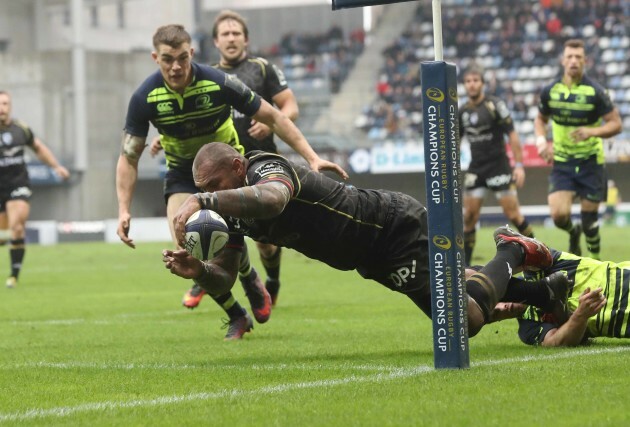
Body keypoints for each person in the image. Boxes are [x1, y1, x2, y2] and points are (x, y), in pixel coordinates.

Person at [162, 143, 566, 341]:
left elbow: (274, 199)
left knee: (463, 322)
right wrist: (198, 270)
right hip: (371, 256)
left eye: (213, 185)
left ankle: (510, 249)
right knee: (461, 299)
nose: (208, 194)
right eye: (203, 189)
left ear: (236, 167)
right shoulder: (229, 214)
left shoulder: (265, 168)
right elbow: (225, 279)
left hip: (390, 226)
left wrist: (201, 198)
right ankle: (544, 294)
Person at [116, 24, 348, 340]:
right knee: (186, 243)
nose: (176, 66)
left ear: (192, 54)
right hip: (183, 173)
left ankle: (251, 276)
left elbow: (274, 116)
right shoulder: (144, 97)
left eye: (182, 58)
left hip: (227, 170)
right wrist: (123, 209)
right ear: (156, 57)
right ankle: (236, 314)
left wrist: (312, 157)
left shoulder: (218, 82)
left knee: (235, 234)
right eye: (168, 59)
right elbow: (129, 157)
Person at [181, 10, 298, 310]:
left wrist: (273, 121)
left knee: (265, 242)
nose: (231, 38)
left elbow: (290, 106)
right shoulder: (207, 76)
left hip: (258, 165)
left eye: (236, 33)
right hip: (218, 171)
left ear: (245, 39)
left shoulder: (262, 69)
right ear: (216, 41)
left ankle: (271, 279)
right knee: (210, 222)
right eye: (225, 34)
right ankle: (206, 274)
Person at [534, 39, 622, 260]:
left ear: (585, 61)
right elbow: (540, 120)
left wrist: (592, 132)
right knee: (558, 215)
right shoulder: (551, 91)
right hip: (563, 162)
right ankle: (573, 233)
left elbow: (616, 124)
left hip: (591, 162)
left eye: (578, 57)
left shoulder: (596, 92)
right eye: (570, 57)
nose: (574, 61)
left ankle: (597, 265)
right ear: (563, 60)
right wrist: (542, 143)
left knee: (590, 223)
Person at [459, 66, 534, 266]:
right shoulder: (462, 111)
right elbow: (455, 142)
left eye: (475, 80)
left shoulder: (494, 105)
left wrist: (518, 165)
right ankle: (465, 268)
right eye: (468, 81)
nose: (471, 84)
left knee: (513, 214)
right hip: (476, 169)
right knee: (469, 217)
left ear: (482, 83)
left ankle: (538, 251)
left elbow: (512, 134)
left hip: (499, 167)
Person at [0, 90, 70, 288]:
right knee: (2, 238)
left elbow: (38, 148)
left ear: (10, 106)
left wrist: (56, 166)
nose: (1, 108)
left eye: (5, 104)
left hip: (17, 184)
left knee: (17, 226)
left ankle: (13, 276)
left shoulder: (20, 129)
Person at [491, 247, 629, 347]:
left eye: (500, 300)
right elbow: (557, 341)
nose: (503, 307)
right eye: (496, 314)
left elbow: (527, 247)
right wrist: (580, 316)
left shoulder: (537, 269)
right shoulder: (528, 328)